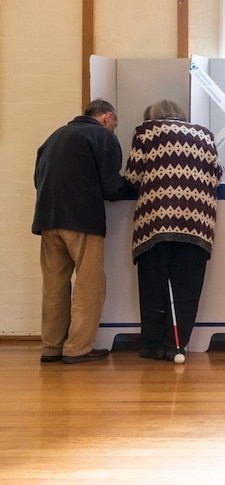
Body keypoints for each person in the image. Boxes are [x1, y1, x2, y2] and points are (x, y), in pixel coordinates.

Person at [124, 100, 223, 362]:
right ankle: (176, 346)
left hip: (155, 221)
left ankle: (152, 346)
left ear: (153, 116)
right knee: (186, 287)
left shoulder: (146, 131)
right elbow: (217, 176)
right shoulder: (205, 134)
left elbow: (133, 176)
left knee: (154, 284)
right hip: (197, 221)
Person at [32, 99, 126, 364]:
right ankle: (77, 348)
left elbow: (37, 179)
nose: (113, 131)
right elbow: (112, 187)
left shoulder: (55, 136)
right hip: (82, 219)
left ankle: (51, 347)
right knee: (89, 284)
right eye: (114, 126)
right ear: (108, 118)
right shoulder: (102, 137)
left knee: (54, 286)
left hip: (47, 217)